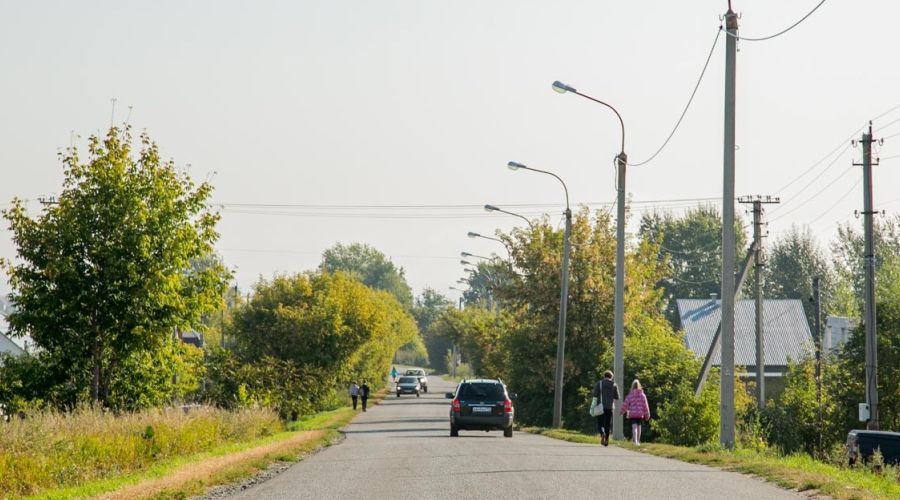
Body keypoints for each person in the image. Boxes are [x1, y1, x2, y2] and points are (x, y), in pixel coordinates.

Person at [592, 370, 619, 446]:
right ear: (611, 377)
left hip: (600, 406)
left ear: (604, 376)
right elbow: (617, 397)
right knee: (607, 424)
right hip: (610, 407)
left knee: (600, 423)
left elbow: (595, 394)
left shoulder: (599, 383)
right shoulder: (614, 385)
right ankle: (606, 440)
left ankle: (602, 433)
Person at [620, 379, 651, 446]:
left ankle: (635, 441)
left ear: (632, 386)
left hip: (632, 414)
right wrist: (647, 414)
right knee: (639, 426)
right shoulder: (643, 395)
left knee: (634, 427)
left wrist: (622, 412)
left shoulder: (630, 395)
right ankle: (638, 441)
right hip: (640, 414)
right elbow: (645, 405)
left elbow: (625, 404)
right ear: (639, 386)